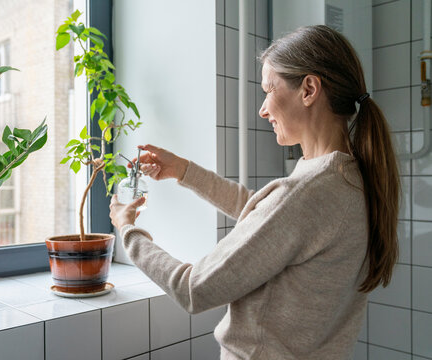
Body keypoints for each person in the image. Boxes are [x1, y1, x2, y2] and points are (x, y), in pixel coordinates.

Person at [109, 25, 400, 360]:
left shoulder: (309, 191)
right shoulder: (349, 176)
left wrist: (128, 230)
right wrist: (183, 170)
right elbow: (265, 215)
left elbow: (193, 289)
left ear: (309, 89)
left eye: (268, 90)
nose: (262, 110)